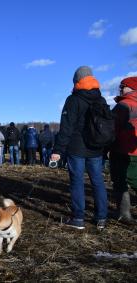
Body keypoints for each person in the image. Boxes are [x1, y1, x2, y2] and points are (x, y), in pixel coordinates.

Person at [51, 66, 108, 230]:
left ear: (77, 80)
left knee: (77, 182)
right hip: (96, 148)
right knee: (98, 182)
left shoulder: (73, 100)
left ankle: (78, 219)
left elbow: (66, 128)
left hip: (76, 149)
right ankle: (101, 218)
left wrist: (57, 150)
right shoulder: (100, 99)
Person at [109, 77, 137, 223]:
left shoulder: (123, 105)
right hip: (134, 149)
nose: (120, 88)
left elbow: (111, 130)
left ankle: (124, 214)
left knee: (120, 181)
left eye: (123, 86)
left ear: (131, 87)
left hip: (122, 150)